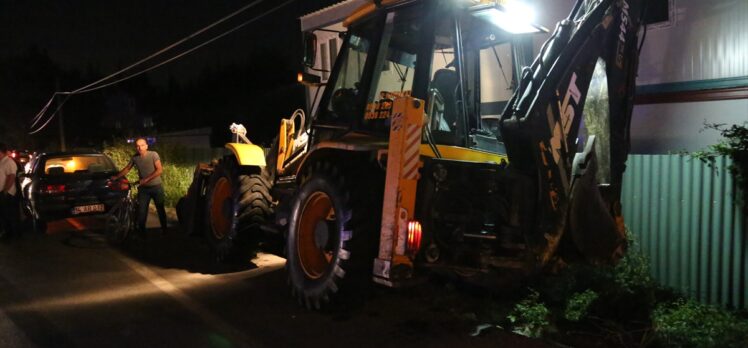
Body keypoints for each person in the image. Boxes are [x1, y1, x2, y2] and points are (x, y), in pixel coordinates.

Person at [112, 137, 168, 235]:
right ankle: (142, 234)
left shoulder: (153, 154)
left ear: (146, 146)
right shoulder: (135, 157)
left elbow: (159, 170)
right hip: (143, 189)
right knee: (142, 212)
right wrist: (116, 177)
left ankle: (165, 231)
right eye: (137, 146)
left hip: (156, 187)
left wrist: (146, 179)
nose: (139, 147)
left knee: (160, 209)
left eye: (142, 145)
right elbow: (127, 169)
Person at [0, 142, 19, 240]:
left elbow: (11, 177)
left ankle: (11, 235)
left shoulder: (9, 162)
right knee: (3, 214)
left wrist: (5, 191)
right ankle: (6, 232)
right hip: (3, 192)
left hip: (7, 193)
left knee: (8, 215)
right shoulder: (2, 161)